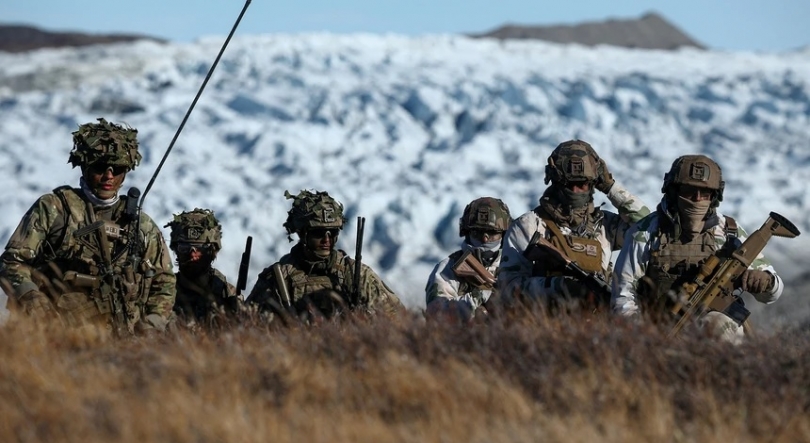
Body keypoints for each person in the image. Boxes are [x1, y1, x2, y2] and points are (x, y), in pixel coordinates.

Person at [0, 118, 175, 335]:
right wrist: (32, 299)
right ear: (85, 166)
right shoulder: (55, 208)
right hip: (53, 335)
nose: (109, 176)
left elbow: (164, 281)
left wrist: (152, 322)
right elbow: (12, 262)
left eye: (117, 168)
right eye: (100, 167)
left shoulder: (141, 225)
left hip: (123, 339)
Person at [612, 154, 783, 343]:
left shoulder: (728, 232)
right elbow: (624, 293)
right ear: (673, 191)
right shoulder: (646, 232)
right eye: (688, 191)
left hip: (716, 328)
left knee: (720, 326)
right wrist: (641, 336)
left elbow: (773, 293)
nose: (697, 199)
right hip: (660, 329)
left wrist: (765, 281)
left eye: (705, 193)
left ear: (714, 197)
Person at [496, 139, 650, 312]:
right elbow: (508, 289)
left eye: (582, 184)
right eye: (569, 184)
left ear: (593, 184)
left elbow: (647, 226)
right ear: (555, 182)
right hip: (543, 327)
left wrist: (610, 187)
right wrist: (558, 286)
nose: (576, 191)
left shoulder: (606, 226)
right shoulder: (529, 225)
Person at [247, 190, 402, 322]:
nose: (327, 239)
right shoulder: (278, 278)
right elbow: (249, 326)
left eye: (333, 232)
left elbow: (399, 319)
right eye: (318, 233)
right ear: (302, 233)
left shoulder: (357, 275)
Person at [425, 197, 511, 321]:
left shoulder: (514, 264)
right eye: (478, 233)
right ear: (466, 232)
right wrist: (479, 296)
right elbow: (436, 315)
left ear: (504, 234)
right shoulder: (447, 269)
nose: (485, 239)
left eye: (492, 233)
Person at [164, 208, 241, 330]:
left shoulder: (227, 293)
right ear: (176, 250)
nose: (193, 255)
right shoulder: (162, 292)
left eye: (200, 248)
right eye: (184, 248)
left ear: (213, 251)